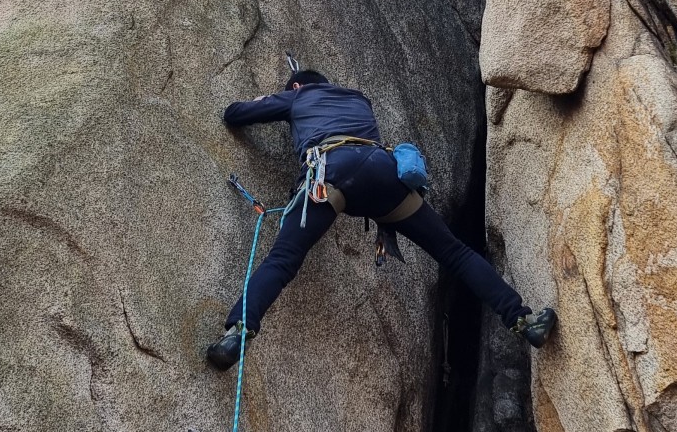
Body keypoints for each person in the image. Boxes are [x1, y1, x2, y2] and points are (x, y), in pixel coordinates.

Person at [206, 69, 556, 369]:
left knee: (283, 260)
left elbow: (235, 113)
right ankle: (523, 321)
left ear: (296, 87)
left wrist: (278, 102)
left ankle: (238, 332)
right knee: (456, 253)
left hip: (332, 172)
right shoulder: (358, 98)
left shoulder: (299, 96)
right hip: (384, 174)